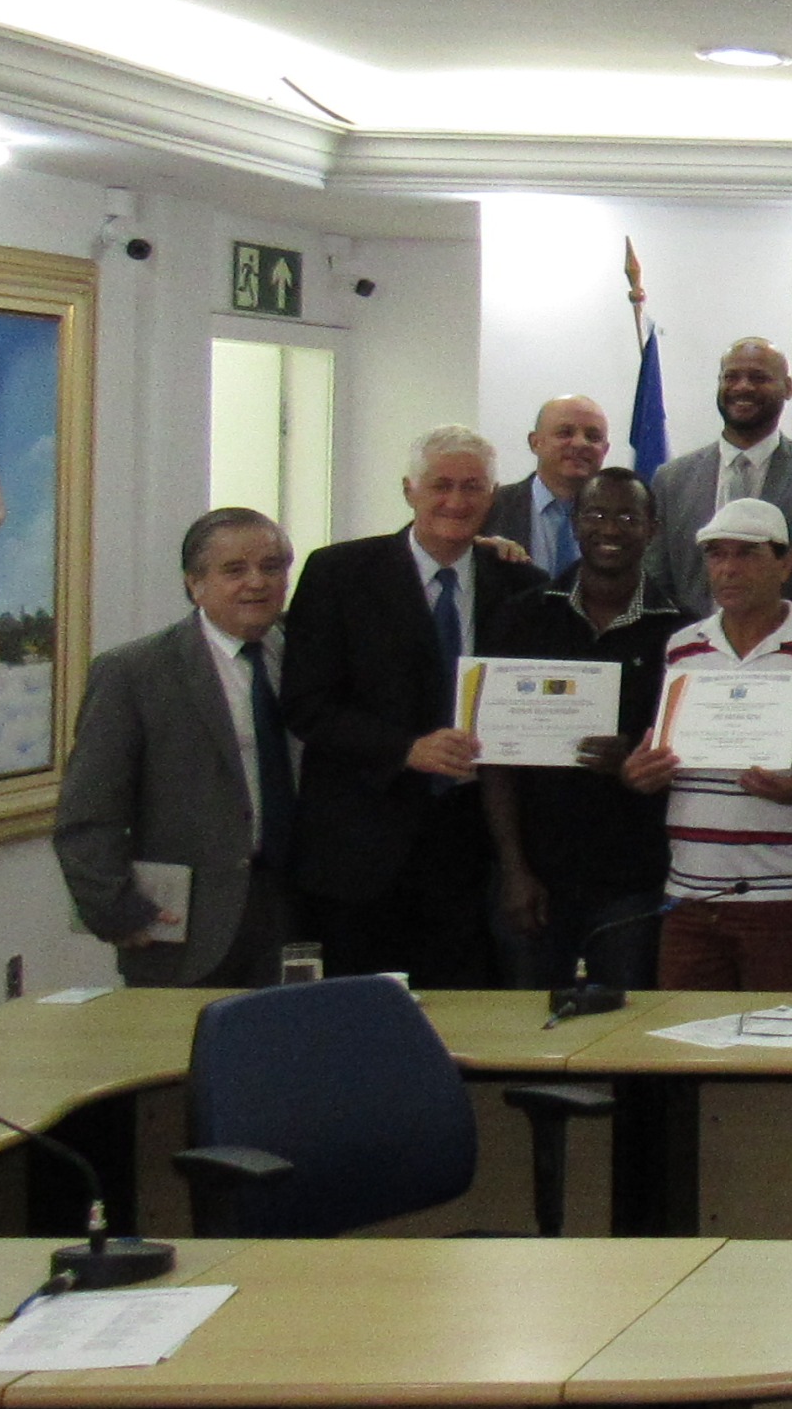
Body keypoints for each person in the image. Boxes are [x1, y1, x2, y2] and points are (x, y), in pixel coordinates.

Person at [280, 425, 552, 986]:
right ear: (409, 490)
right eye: (441, 485)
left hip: (471, 849)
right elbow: (306, 705)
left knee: (464, 1013)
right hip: (360, 849)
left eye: (472, 487)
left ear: (492, 495)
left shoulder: (522, 583)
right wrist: (405, 750)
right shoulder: (337, 573)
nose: (456, 501)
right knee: (359, 1015)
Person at [54, 508, 303, 986]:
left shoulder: (307, 654)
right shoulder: (135, 672)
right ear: (195, 584)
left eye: (271, 567)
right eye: (234, 570)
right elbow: (88, 811)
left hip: (298, 910)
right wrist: (113, 909)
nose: (257, 582)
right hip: (187, 927)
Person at [482, 469, 684, 995]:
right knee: (529, 1028)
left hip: (634, 880)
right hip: (535, 875)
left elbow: (686, 758)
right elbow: (495, 758)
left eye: (627, 516)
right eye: (595, 514)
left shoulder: (682, 633)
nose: (609, 528)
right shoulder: (524, 616)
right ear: (574, 523)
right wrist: (513, 869)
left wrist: (633, 762)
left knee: (627, 1027)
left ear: (652, 529)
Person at [650, 498, 792, 989]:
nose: (728, 568)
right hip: (688, 894)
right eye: (716, 554)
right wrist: (645, 771)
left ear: (786, 564)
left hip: (785, 897)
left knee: (775, 1036)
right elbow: (671, 756)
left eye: (746, 553)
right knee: (685, 1035)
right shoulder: (682, 648)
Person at [650, 338, 792, 612]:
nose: (742, 387)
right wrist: (697, 635)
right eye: (731, 377)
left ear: (788, 387)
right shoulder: (671, 479)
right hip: (692, 637)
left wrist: (777, 632)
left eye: (758, 378)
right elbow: (656, 578)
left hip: (790, 636)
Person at [483, 395, 611, 577]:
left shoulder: (623, 518)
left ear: (605, 449)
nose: (580, 443)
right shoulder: (491, 505)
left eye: (593, 437)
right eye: (565, 433)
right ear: (535, 442)